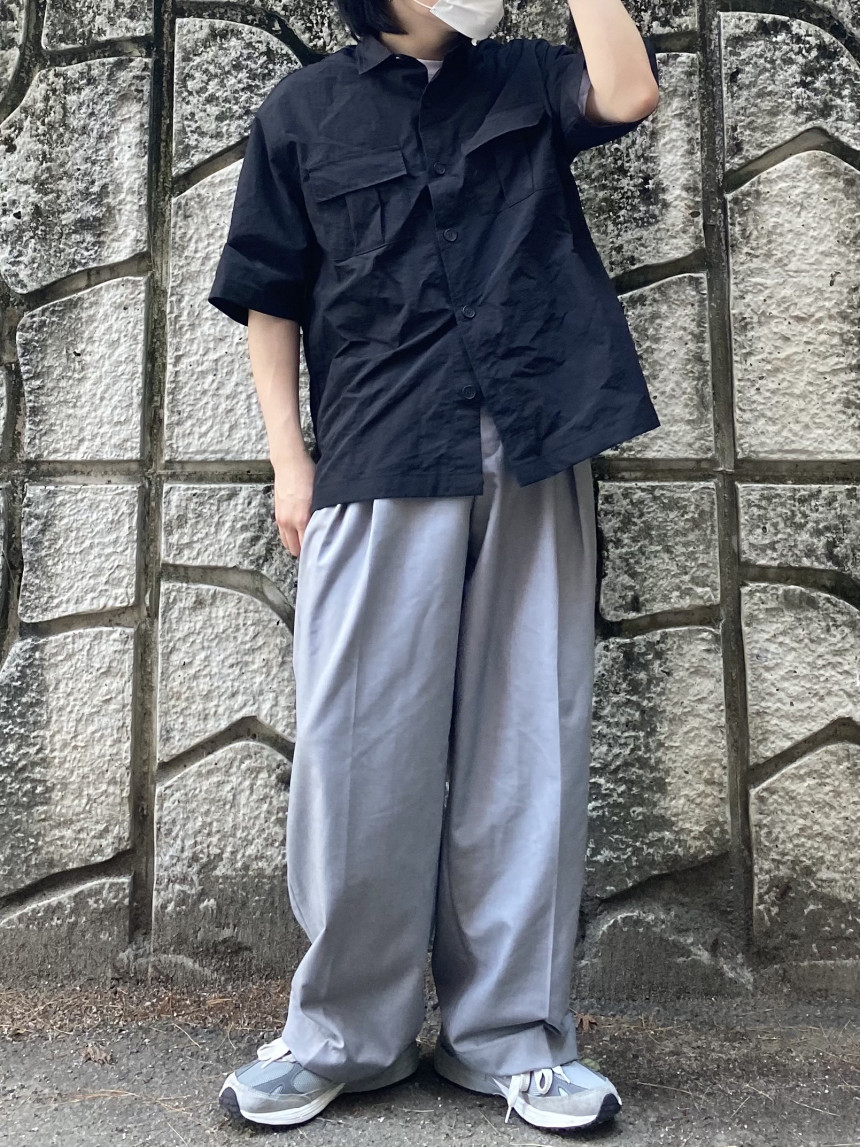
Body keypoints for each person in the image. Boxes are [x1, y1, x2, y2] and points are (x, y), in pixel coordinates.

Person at [207, 0, 659, 1131]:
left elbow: (627, 91)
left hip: (531, 444)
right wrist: (290, 463)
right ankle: (338, 1036)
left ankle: (513, 1038)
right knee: (357, 751)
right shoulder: (302, 110)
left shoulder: (522, 78)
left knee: (528, 744)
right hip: (378, 451)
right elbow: (269, 294)